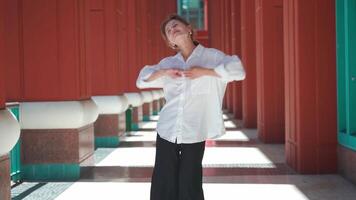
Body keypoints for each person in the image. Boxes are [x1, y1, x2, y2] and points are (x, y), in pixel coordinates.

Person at [136, 14, 246, 200]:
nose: (172, 30)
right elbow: (141, 81)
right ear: (170, 42)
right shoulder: (168, 64)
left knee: (190, 183)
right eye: (168, 31)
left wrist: (204, 72)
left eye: (175, 25)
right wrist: (164, 72)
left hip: (195, 130)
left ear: (189, 29)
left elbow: (238, 71)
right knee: (163, 182)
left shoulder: (212, 56)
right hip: (167, 129)